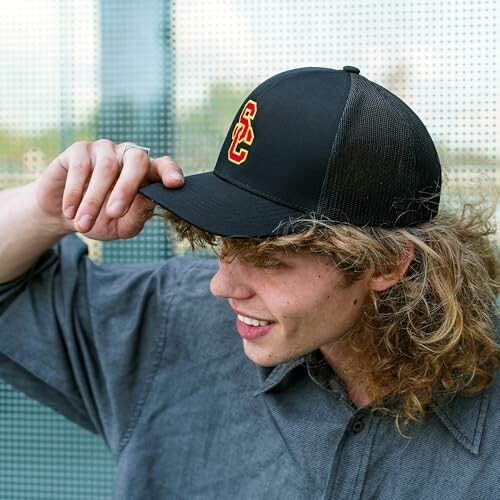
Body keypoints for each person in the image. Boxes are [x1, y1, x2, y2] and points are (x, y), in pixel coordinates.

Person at [0, 66, 498, 499]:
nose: (222, 286)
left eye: (273, 258)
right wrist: (48, 211)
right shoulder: (179, 317)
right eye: (226, 243)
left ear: (386, 265)